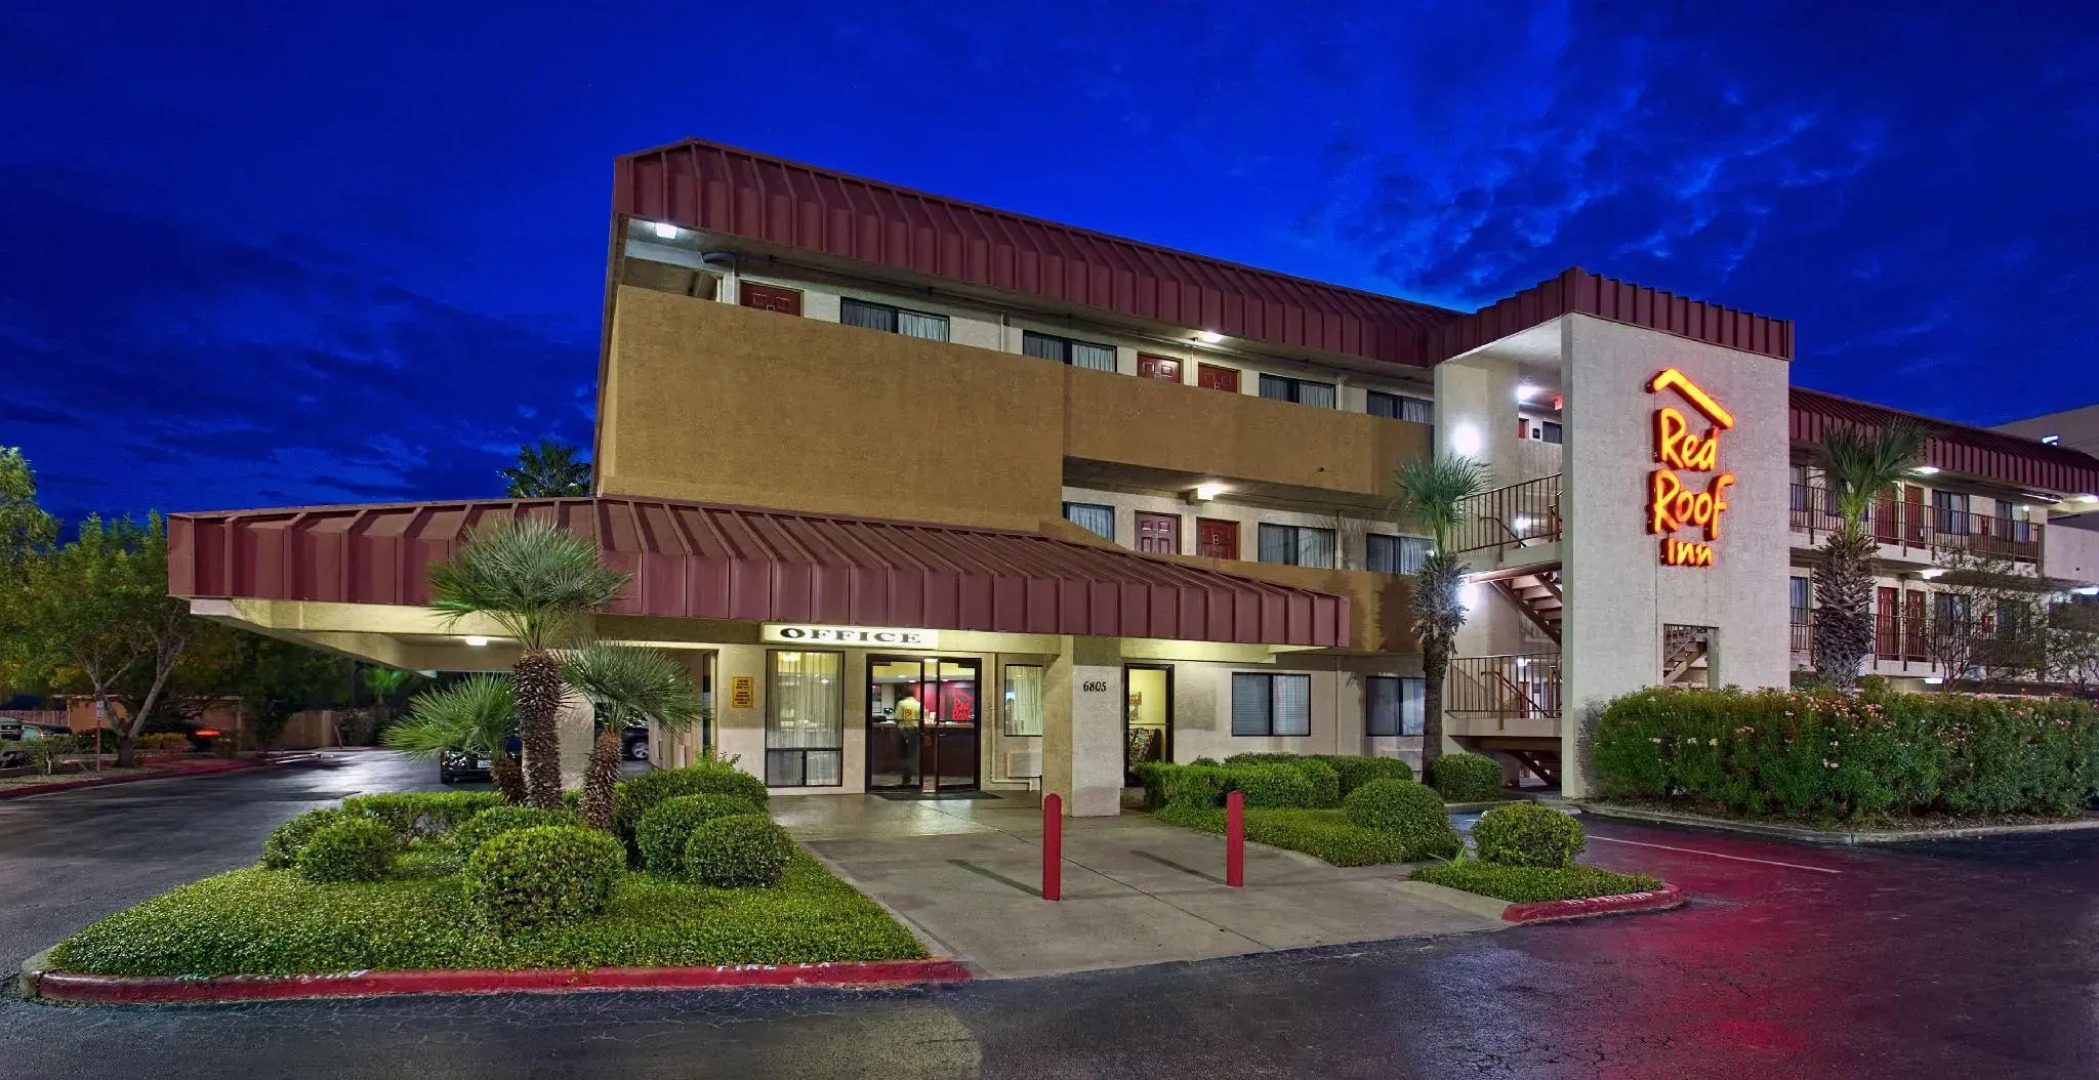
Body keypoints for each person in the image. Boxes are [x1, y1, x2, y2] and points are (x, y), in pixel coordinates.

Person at [894, 688, 923, 788]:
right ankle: (910, 772)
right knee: (912, 753)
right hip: (915, 730)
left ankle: (905, 775)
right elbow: (921, 718)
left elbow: (897, 717)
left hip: (904, 730)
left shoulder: (902, 704)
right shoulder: (918, 704)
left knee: (903, 753)